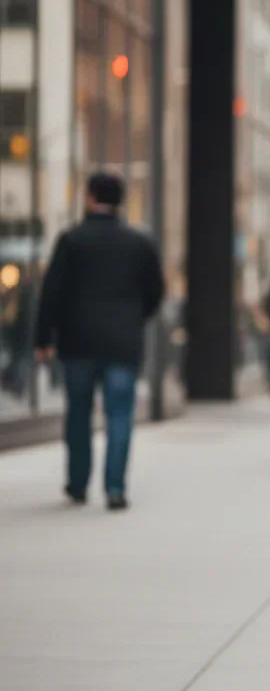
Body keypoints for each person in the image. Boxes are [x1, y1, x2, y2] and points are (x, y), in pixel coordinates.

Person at [34, 172, 164, 511]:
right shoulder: (140, 243)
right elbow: (155, 293)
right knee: (120, 416)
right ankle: (116, 488)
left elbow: (52, 294)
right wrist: (135, 319)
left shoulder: (72, 240)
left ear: (90, 198)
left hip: (78, 344)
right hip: (123, 344)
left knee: (78, 414)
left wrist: (43, 337)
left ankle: (78, 483)